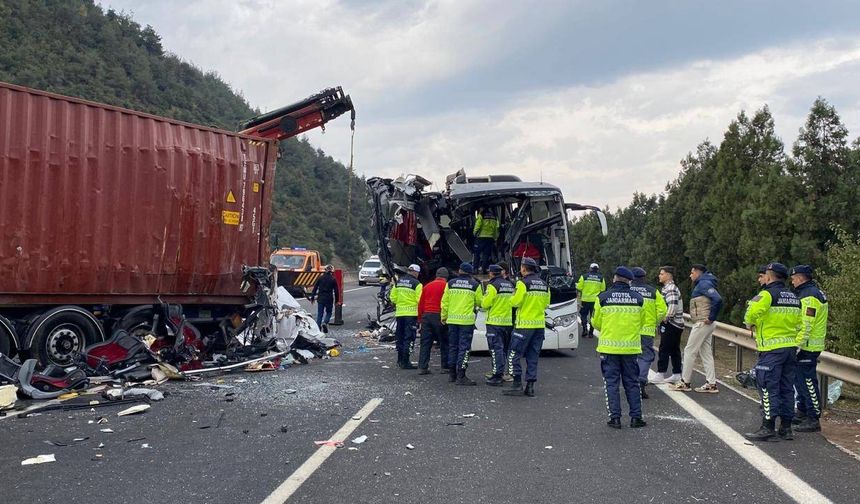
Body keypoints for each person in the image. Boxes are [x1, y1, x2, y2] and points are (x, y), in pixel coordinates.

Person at [743, 263, 801, 441]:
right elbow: (800, 323)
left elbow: (751, 313)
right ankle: (786, 428)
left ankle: (768, 427)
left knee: (768, 387)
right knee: (787, 389)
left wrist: (749, 322)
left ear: (769, 276)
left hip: (771, 350)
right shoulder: (793, 296)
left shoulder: (766, 294)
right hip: (790, 349)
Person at [592, 266, 646, 428]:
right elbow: (642, 322)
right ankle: (636, 418)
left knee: (611, 383)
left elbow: (596, 322)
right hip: (630, 349)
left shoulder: (603, 297)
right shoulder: (638, 298)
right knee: (632, 383)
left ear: (614, 278)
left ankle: (615, 418)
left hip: (609, 349)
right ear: (629, 280)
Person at [670, 264, 722, 393]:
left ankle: (684, 382)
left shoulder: (704, 284)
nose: (690, 275)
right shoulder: (706, 283)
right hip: (706, 323)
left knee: (689, 351)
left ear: (698, 272)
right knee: (706, 353)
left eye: (692, 272)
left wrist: (711, 317)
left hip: (702, 323)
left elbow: (718, 299)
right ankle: (711, 383)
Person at [503, 257, 551, 397]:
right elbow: (546, 304)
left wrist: (512, 297)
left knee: (513, 354)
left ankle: (517, 383)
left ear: (524, 268)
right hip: (539, 326)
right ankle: (530, 387)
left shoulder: (523, 283)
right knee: (533, 356)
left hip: (524, 325)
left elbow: (515, 302)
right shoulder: (544, 284)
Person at [790, 265, 828, 433]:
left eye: (793, 278)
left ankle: (813, 418)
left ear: (800, 278)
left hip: (808, 346)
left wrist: (796, 346)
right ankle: (803, 412)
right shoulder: (808, 293)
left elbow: (806, 324)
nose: (791, 281)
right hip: (806, 345)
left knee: (808, 381)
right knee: (800, 381)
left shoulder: (810, 295)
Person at [441, 262, 483, 385]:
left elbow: (445, 302)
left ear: (459, 271)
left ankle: (452, 375)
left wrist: (444, 317)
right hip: (466, 322)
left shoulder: (450, 283)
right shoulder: (475, 285)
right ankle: (461, 375)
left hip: (452, 320)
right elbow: (480, 302)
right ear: (470, 273)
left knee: (453, 347)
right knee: (464, 349)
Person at [630, 267, 667, 399]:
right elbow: (663, 310)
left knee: (630, 357)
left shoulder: (627, 291)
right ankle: (641, 381)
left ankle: (631, 385)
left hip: (630, 330)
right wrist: (654, 322)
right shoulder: (653, 291)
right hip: (647, 331)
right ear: (644, 277)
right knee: (645, 357)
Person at [481, 264, 515, 386]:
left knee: (496, 350)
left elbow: (485, 304)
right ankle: (504, 372)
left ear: (491, 273)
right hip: (507, 322)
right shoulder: (510, 285)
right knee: (504, 350)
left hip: (494, 322)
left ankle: (497, 375)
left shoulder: (492, 285)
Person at [653, 266, 684, 384]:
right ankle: (676, 373)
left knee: (664, 348)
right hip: (677, 324)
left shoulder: (670, 288)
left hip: (671, 323)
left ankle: (661, 373)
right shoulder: (669, 288)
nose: (659, 276)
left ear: (668, 275)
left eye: (662, 274)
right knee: (674, 349)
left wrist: (666, 318)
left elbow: (672, 305)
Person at [417, 267, 450, 375]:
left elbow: (421, 303)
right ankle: (445, 367)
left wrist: (420, 319)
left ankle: (423, 367)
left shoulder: (427, 286)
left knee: (425, 343)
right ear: (446, 277)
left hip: (426, 316)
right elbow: (447, 303)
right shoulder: (447, 286)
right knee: (444, 342)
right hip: (439, 316)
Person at [389, 264, 423, 370]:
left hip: (400, 314)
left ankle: (399, 360)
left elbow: (392, 298)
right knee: (409, 338)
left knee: (400, 337)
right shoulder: (417, 284)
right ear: (416, 273)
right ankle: (406, 362)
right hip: (411, 315)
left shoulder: (399, 282)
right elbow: (420, 300)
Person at [576, 263, 606, 338]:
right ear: (597, 269)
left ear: (590, 268)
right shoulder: (601, 278)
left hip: (585, 300)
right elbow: (603, 289)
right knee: (593, 316)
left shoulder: (584, 276)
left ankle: (585, 329)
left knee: (583, 315)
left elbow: (579, 287)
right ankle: (591, 333)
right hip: (595, 301)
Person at [309, 264, 339, 333]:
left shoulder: (320, 278)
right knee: (329, 312)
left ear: (325, 270)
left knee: (320, 314)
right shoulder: (333, 279)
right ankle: (325, 322)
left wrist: (312, 297)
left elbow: (315, 287)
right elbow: (336, 291)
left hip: (321, 298)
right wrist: (337, 300)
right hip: (329, 298)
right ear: (332, 271)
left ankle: (318, 327)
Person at [473, 209, 499, 274]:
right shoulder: (494, 216)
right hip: (490, 238)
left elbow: (477, 225)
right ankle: (483, 269)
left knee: (477, 254)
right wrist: (495, 238)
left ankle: (475, 269)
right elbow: (496, 228)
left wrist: (475, 233)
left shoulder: (481, 215)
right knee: (486, 255)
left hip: (481, 238)